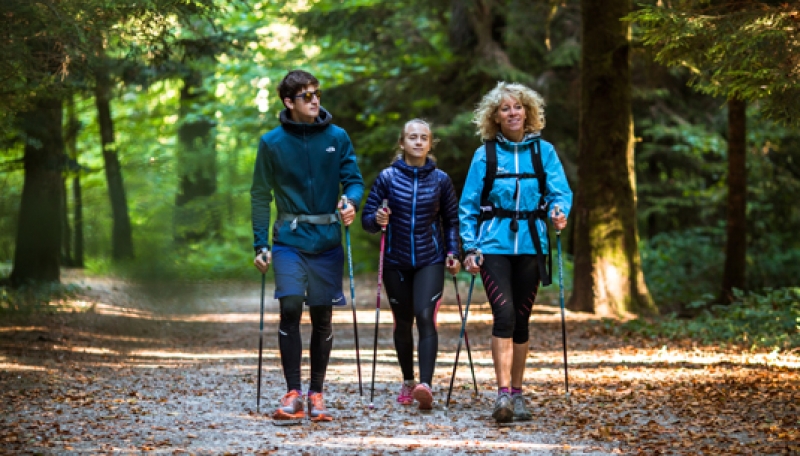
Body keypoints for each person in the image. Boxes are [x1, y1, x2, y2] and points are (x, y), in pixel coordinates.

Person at [251, 69, 364, 423]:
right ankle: (293, 393)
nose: (316, 100)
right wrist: (260, 243)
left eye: (317, 93)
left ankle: (317, 392)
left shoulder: (337, 137)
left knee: (322, 316)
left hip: (327, 240)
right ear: (289, 102)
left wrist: (351, 203)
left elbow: (355, 181)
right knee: (289, 308)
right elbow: (259, 195)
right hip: (288, 238)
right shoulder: (271, 142)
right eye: (306, 96)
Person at [459, 82, 571, 423]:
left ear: (528, 112)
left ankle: (519, 394)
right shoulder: (486, 154)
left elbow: (559, 192)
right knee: (504, 315)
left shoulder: (544, 152)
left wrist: (558, 210)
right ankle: (503, 395)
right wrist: (469, 246)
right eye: (505, 108)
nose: (512, 113)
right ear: (495, 116)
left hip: (533, 244)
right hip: (493, 245)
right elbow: (468, 204)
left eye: (517, 107)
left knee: (521, 320)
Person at [361, 119, 461, 410]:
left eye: (424, 138)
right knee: (403, 321)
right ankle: (408, 381)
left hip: (430, 258)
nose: (418, 142)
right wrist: (378, 218)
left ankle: (425, 385)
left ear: (430, 144)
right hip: (395, 261)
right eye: (412, 137)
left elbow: (451, 221)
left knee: (425, 315)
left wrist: (453, 252)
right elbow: (368, 219)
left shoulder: (441, 180)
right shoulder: (387, 178)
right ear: (402, 143)